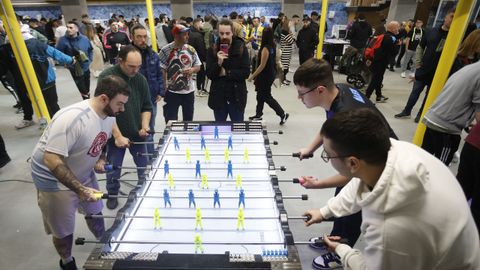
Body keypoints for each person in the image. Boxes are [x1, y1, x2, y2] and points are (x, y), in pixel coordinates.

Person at [303, 108, 480, 270]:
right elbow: (359, 181)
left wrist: (343, 251)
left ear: (352, 162)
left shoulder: (389, 229)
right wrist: (325, 211)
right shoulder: (396, 149)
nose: (327, 157)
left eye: (328, 154)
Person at [293, 58, 397, 264]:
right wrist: (310, 148)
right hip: (364, 155)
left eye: (302, 93)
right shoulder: (339, 90)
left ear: (320, 89)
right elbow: (329, 125)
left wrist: (318, 184)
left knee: (354, 208)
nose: (298, 97)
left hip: (379, 164)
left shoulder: (348, 116)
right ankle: (333, 239)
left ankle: (341, 251)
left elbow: (352, 176)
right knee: (341, 200)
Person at [30, 75, 131, 270]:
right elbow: (51, 159)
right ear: (103, 98)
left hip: (83, 173)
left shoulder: (109, 116)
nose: (122, 109)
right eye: (119, 104)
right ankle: (67, 261)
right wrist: (80, 190)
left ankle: (104, 243)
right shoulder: (72, 118)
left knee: (95, 211)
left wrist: (100, 160)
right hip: (55, 183)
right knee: (63, 230)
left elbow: (100, 140)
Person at [99, 45, 152, 209]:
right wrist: (117, 136)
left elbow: (147, 106)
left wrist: (144, 126)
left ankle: (145, 191)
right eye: (131, 66)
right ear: (120, 61)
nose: (135, 70)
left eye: (139, 66)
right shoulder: (107, 77)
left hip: (137, 134)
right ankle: (112, 194)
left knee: (145, 166)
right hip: (115, 136)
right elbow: (103, 111)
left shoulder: (140, 79)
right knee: (113, 169)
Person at [394, 9, 455, 122]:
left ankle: (420, 114)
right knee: (415, 92)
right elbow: (421, 47)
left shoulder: (455, 36)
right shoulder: (431, 31)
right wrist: (417, 63)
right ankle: (407, 111)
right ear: (445, 17)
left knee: (429, 96)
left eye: (455, 17)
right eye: (451, 16)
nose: (452, 19)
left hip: (439, 72)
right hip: (423, 68)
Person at [420, 61, 480, 166]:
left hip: (435, 118)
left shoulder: (471, 68)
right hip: (446, 127)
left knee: (423, 160)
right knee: (440, 167)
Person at [206, 19, 250, 121]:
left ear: (232, 33)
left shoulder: (241, 48)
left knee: (238, 130)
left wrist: (226, 73)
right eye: (221, 33)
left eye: (227, 33)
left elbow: (246, 72)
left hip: (237, 97)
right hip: (219, 97)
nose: (224, 36)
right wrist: (218, 63)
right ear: (217, 33)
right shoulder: (212, 50)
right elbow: (209, 74)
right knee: (220, 130)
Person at [130, 25, 164, 157]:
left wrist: (160, 91)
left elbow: (159, 74)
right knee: (137, 130)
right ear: (132, 37)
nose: (143, 40)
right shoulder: (127, 56)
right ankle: (141, 156)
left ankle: (150, 157)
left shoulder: (153, 54)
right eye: (139, 37)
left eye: (145, 37)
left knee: (150, 128)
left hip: (151, 99)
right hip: (133, 100)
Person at [159, 24, 201, 123]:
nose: (187, 36)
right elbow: (162, 70)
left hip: (189, 91)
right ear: (176, 36)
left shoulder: (191, 50)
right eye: (185, 34)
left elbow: (198, 66)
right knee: (171, 121)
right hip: (172, 92)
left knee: (188, 121)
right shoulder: (166, 50)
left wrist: (192, 70)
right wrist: (164, 87)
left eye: (187, 34)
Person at [248, 27, 289, 125]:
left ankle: (282, 114)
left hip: (265, 76)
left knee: (266, 96)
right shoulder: (272, 46)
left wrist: (252, 76)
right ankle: (258, 115)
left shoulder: (265, 48)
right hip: (269, 74)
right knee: (260, 95)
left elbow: (262, 65)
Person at [56, 21, 93, 100]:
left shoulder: (84, 38)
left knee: (87, 86)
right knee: (82, 87)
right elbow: (58, 54)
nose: (68, 29)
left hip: (86, 67)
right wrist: (65, 64)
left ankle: (88, 99)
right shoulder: (63, 40)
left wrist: (90, 59)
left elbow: (90, 50)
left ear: (77, 29)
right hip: (75, 69)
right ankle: (86, 101)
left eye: (71, 27)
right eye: (67, 27)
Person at [364, 21, 399, 103]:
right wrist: (397, 45)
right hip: (381, 62)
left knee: (379, 78)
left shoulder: (383, 36)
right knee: (376, 79)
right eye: (397, 27)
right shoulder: (390, 38)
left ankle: (379, 96)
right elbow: (393, 52)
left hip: (376, 60)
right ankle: (367, 97)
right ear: (393, 28)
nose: (398, 29)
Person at [189, 18, 208, 97]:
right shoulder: (198, 35)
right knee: (202, 74)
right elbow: (201, 48)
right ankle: (200, 90)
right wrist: (205, 58)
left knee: (198, 74)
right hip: (199, 57)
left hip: (192, 57)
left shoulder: (191, 33)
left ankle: (199, 89)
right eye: (201, 23)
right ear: (197, 24)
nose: (202, 25)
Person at [280, 19, 295, 85]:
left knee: (286, 66)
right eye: (290, 23)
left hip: (287, 51)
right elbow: (291, 41)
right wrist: (292, 37)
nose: (291, 24)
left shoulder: (286, 32)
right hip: (285, 52)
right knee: (284, 67)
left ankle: (284, 79)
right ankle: (282, 80)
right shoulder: (285, 32)